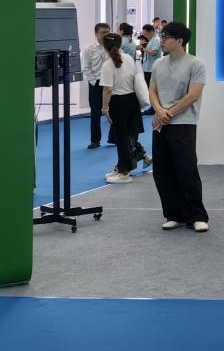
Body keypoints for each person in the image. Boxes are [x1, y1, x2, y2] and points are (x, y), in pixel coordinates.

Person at [149, 21, 210, 232]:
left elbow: (193, 95)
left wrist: (168, 113)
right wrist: (159, 110)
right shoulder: (158, 64)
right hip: (160, 123)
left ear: (180, 41)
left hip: (183, 123)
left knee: (186, 170)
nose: (162, 41)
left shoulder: (195, 64)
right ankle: (173, 214)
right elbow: (152, 90)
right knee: (162, 171)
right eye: (161, 36)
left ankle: (196, 216)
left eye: (166, 37)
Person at [99, 31, 151, 184]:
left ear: (104, 46)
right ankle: (122, 166)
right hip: (132, 101)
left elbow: (107, 89)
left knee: (121, 139)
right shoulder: (128, 58)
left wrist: (105, 109)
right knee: (128, 137)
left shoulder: (107, 65)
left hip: (118, 103)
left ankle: (124, 172)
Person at [81, 22, 114, 149]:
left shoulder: (113, 47)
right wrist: (95, 83)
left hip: (111, 83)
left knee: (114, 111)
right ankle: (95, 140)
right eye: (103, 32)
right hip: (96, 84)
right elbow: (85, 68)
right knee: (95, 113)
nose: (106, 34)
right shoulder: (89, 49)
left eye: (107, 32)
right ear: (96, 34)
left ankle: (114, 138)